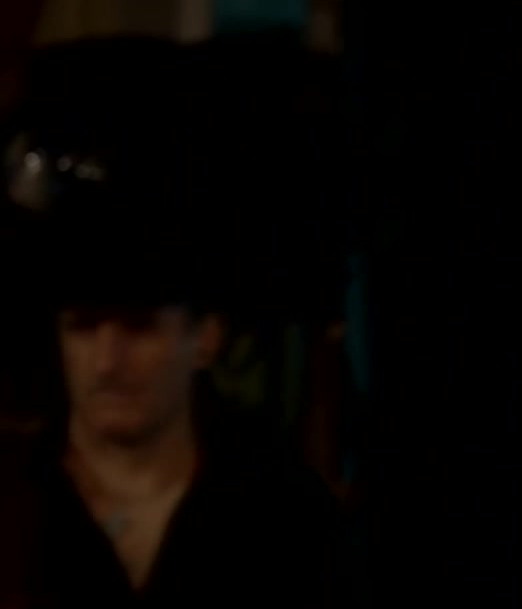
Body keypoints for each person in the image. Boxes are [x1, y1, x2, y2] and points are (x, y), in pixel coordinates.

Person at [0, 37, 357, 607]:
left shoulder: (285, 515)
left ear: (205, 337)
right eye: (83, 327)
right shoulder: (15, 508)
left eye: (139, 328)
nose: (106, 361)